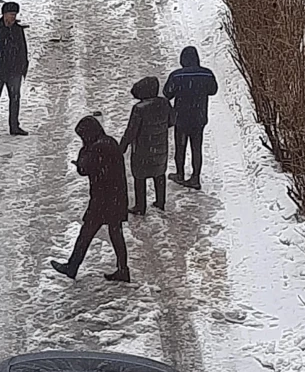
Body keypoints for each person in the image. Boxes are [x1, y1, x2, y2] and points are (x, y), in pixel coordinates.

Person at [51, 116, 130, 282]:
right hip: (117, 196)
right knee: (116, 233)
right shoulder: (110, 142)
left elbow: (84, 169)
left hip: (102, 199)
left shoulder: (96, 148)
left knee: (86, 233)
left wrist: (81, 157)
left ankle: (72, 267)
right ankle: (123, 269)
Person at [163, 46, 218, 190]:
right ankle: (195, 177)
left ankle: (180, 174)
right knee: (196, 148)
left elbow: (167, 93)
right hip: (199, 117)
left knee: (180, 147)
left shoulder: (177, 76)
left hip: (181, 118)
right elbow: (213, 90)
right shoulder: (207, 74)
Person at [120, 76, 175, 215]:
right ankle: (160, 202)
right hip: (160, 147)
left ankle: (140, 206)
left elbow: (131, 131)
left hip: (142, 149)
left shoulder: (139, 109)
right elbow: (172, 121)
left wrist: (122, 147)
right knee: (159, 173)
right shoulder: (165, 103)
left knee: (140, 177)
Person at [0, 1, 29, 136]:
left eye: (15, 14)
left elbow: (23, 49)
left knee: (15, 98)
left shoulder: (18, 30)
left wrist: (24, 66)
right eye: (11, 14)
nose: (13, 17)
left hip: (15, 70)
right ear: (4, 14)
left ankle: (14, 126)